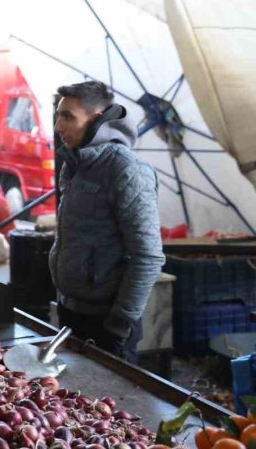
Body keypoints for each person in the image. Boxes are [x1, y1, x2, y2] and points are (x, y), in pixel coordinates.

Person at [50, 81, 163, 363]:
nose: (58, 127)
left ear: (96, 119)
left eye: (68, 117)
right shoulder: (73, 163)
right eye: (58, 115)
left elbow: (147, 256)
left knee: (109, 404)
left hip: (107, 322)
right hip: (70, 312)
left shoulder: (126, 171)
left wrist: (120, 323)